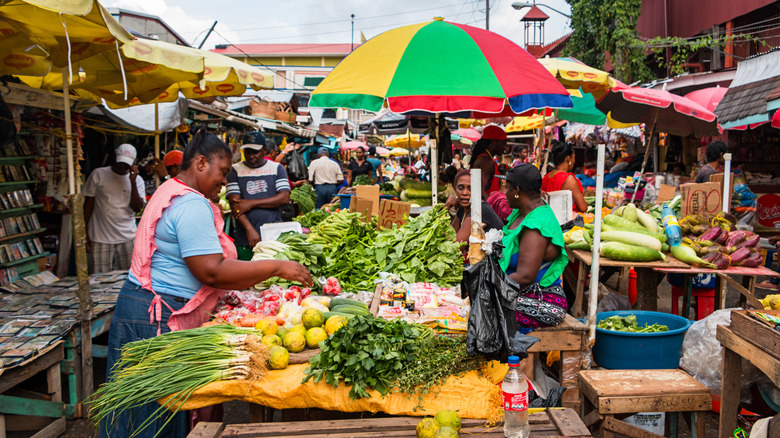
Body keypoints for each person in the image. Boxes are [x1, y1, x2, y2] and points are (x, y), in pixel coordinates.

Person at [101, 130, 312, 438]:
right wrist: (277, 267)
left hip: (143, 307)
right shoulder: (190, 204)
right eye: (222, 172)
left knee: (140, 410)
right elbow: (211, 271)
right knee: (153, 415)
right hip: (156, 317)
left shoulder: (171, 189)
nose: (224, 181)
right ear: (200, 163)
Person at [499, 164, 568, 329]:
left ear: (517, 190)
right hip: (519, 294)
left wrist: (487, 285)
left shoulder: (536, 226)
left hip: (541, 301)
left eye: (507, 188)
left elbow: (525, 277)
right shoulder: (522, 211)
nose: (504, 193)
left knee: (484, 310)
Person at [226, 132, 291, 261]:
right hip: (245, 239)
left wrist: (250, 203)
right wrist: (250, 230)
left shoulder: (277, 168)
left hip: (273, 237)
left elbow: (284, 198)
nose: (251, 156)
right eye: (247, 152)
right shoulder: (235, 170)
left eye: (255, 152)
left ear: (264, 150)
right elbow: (235, 206)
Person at [84, 143, 145, 273]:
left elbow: (137, 208)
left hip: (127, 237)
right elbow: (88, 204)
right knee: (99, 278)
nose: (123, 166)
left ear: (134, 163)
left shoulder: (138, 180)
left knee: (130, 277)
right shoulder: (98, 174)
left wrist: (132, 182)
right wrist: (85, 231)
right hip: (100, 237)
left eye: (127, 164)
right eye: (121, 163)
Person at [446, 169, 504, 250]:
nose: (465, 193)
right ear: (455, 189)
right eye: (460, 188)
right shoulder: (463, 209)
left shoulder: (480, 210)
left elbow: (456, 247)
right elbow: (448, 235)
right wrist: (446, 208)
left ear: (479, 190)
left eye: (470, 188)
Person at [542, 141, 588, 213]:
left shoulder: (546, 177)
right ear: (568, 159)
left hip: (550, 219)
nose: (574, 160)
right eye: (573, 157)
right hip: (566, 221)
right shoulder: (568, 179)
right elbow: (583, 207)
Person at [471, 125, 507, 199]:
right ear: (494, 143)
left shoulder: (487, 159)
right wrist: (491, 206)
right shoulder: (486, 161)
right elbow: (480, 191)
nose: (505, 147)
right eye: (503, 143)